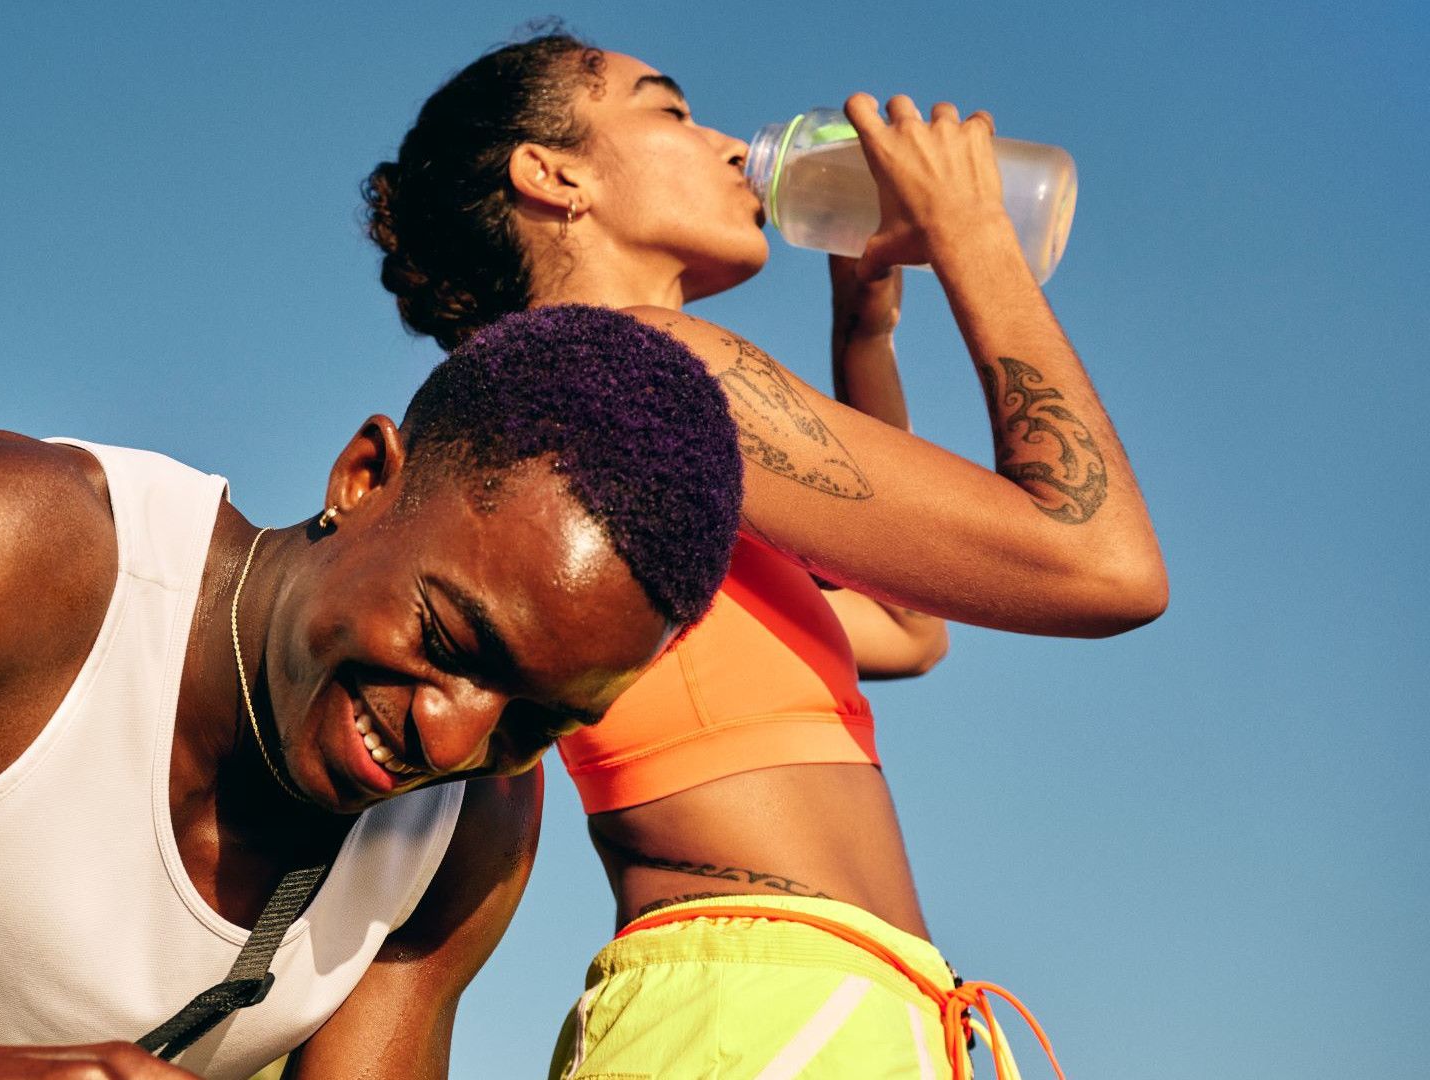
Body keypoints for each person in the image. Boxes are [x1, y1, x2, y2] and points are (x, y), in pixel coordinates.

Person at [0, 306, 744, 1080]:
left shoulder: (470, 826)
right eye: (451, 637)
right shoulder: (23, 552)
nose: (456, 733)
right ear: (366, 477)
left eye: (537, 719)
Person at [365, 33, 1168, 1079]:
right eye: (669, 110)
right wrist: (977, 240)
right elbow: (1099, 561)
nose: (731, 147)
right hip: (758, 1012)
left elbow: (912, 630)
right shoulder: (651, 373)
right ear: (553, 173)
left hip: (841, 1000)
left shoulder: (598, 416)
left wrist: (863, 338)